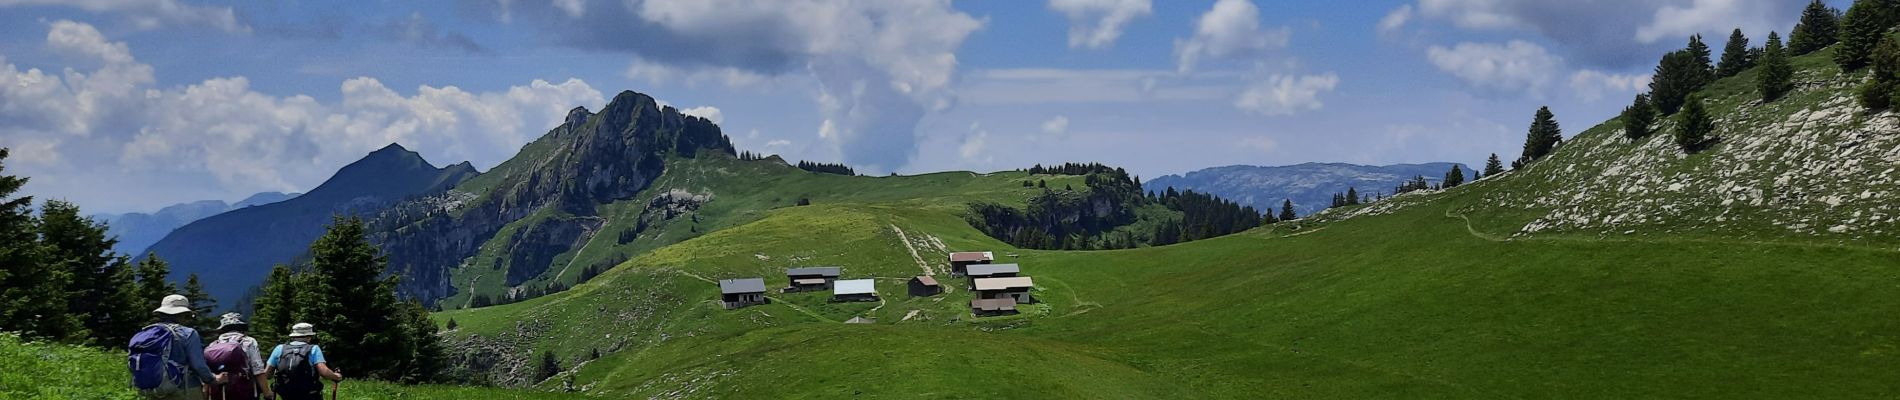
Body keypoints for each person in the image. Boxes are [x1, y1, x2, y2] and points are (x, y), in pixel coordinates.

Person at [130, 294, 228, 400]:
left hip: (152, 389)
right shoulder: (188, 333)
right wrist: (213, 379)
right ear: (182, 314)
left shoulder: (146, 332)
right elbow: (198, 365)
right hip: (184, 389)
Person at [265, 323, 343, 400]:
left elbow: (267, 374)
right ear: (309, 336)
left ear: (294, 336)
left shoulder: (279, 348)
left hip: (286, 394)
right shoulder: (314, 349)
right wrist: (336, 376)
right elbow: (324, 372)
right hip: (309, 394)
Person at [205, 313, 272, 400]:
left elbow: (206, 374)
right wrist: (267, 393)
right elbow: (258, 370)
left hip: (219, 392)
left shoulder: (213, 345)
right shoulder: (248, 341)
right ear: (241, 327)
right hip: (244, 391)